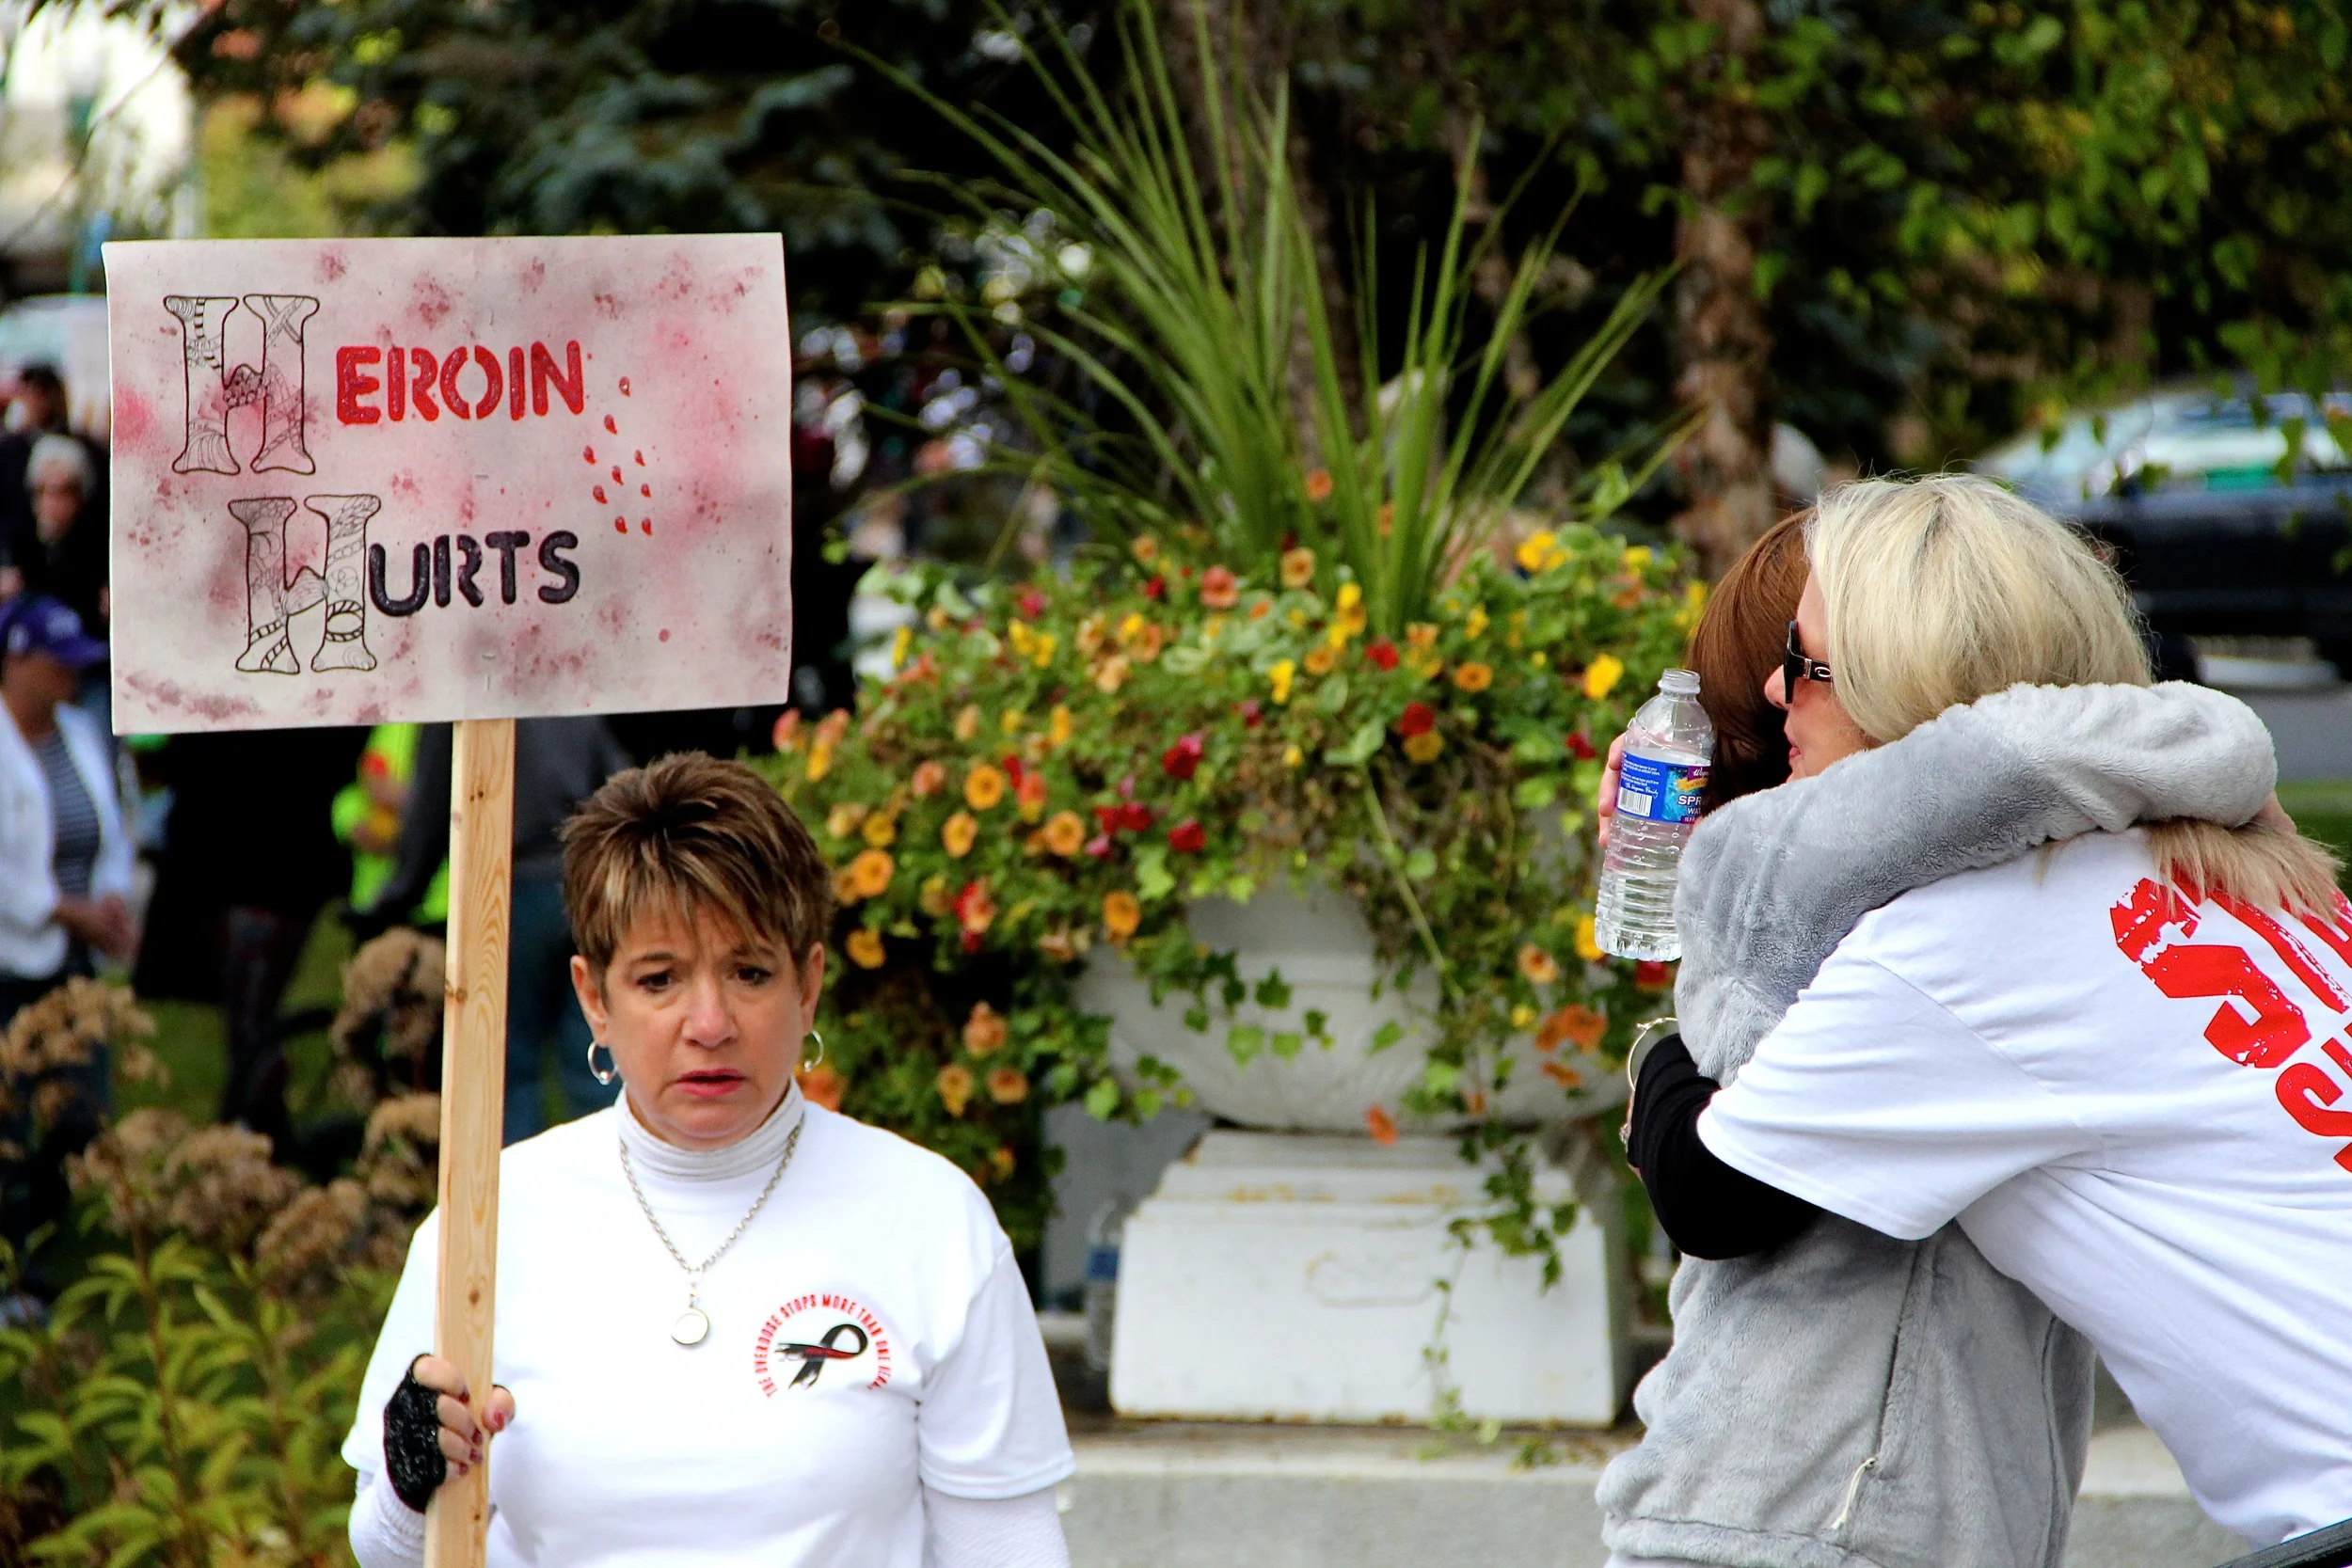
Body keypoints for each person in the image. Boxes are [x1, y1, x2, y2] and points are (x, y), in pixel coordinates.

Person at [1627, 474, 2352, 1553]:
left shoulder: (1977, 936)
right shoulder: (2239, 877)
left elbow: (1707, 1189)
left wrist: (1659, 1032)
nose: (1776, 686)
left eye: (1807, 659)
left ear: (1909, 684)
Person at [342, 753, 1073, 1567]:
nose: (711, 1021)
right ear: (595, 998)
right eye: (660, 978)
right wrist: (412, 1484)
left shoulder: (931, 1219)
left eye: (749, 971)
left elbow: (1008, 1545)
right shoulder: (486, 1225)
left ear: (809, 983)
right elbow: (388, 1549)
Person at [365, 717, 630, 1143]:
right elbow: (619, 780)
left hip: (509, 886)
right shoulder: (569, 687)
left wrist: (397, 897)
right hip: (582, 885)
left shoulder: (469, 694)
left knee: (505, 1063)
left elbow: (433, 803)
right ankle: (616, 1175)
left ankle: (509, 1195)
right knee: (595, 1054)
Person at [0, 595, 135, 1275]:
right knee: (11, 1116)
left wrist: (111, 900)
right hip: (11, 961)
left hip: (76, 960)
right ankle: (20, 1264)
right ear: (17, 660)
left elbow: (114, 824)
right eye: (59, 664)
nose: (71, 678)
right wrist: (63, 908)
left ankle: (51, 1236)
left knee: (80, 1108)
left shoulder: (82, 731)